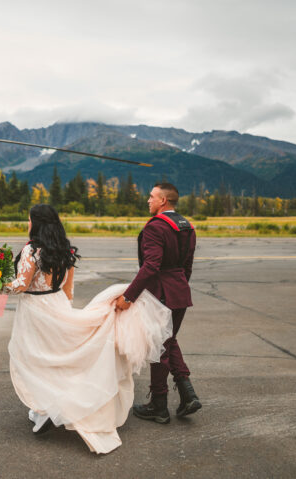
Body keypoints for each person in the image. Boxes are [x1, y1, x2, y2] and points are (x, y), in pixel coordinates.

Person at [4, 204, 173, 454]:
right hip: (57, 304)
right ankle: (50, 408)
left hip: (35, 311)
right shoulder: (65, 249)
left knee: (36, 360)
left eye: (29, 220)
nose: (27, 224)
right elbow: (69, 290)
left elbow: (22, 284)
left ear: (37, 223)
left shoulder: (31, 249)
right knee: (59, 359)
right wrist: (62, 314)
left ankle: (50, 408)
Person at [114, 182, 201, 424]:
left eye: (152, 197)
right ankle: (186, 394)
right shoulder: (187, 226)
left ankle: (159, 405)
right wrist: (179, 286)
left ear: (163, 201)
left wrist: (128, 296)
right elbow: (188, 266)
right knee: (168, 341)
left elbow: (150, 266)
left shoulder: (156, 227)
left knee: (160, 346)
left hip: (160, 293)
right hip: (179, 291)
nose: (148, 200)